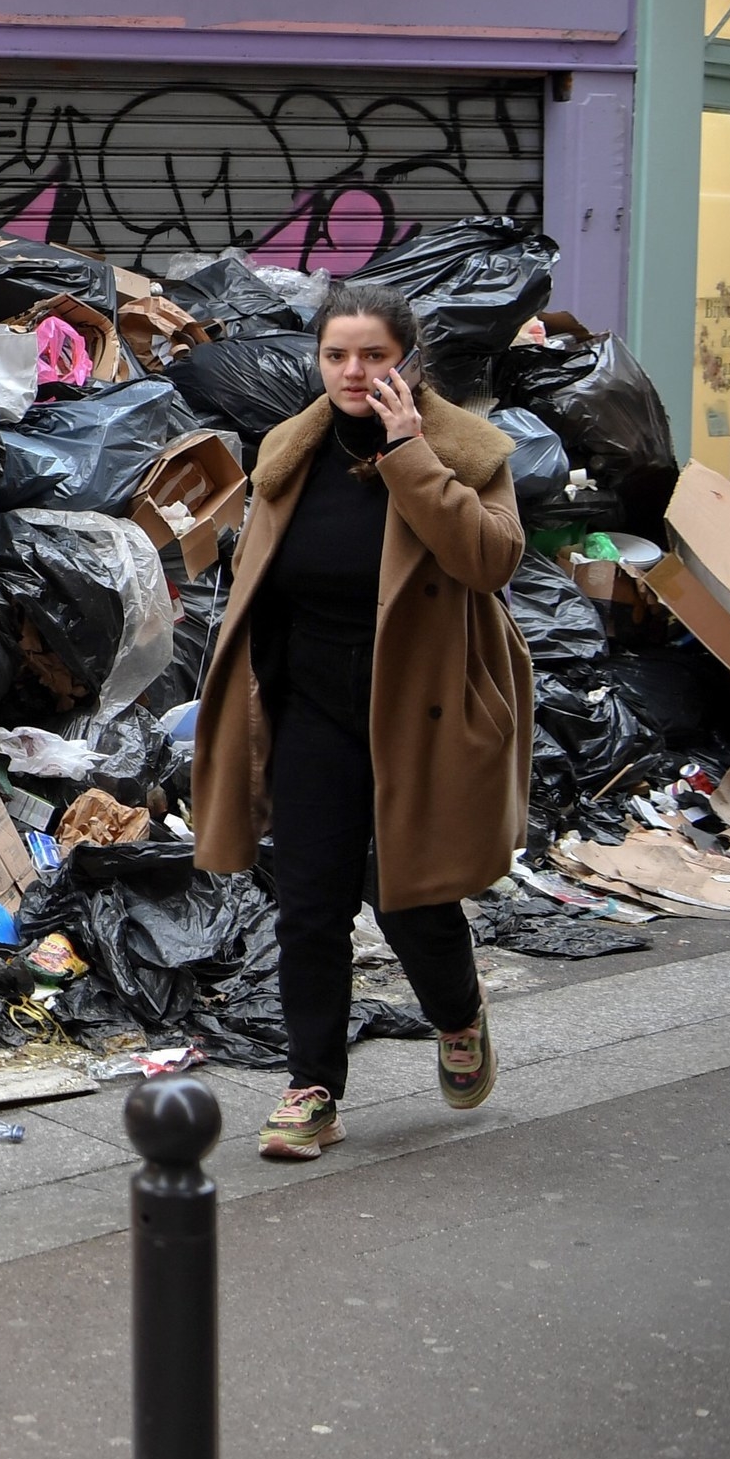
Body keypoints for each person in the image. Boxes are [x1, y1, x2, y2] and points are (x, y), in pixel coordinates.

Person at [190, 281, 530, 1162]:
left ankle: (458, 1015)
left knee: (412, 895)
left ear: (407, 362)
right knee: (309, 907)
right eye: (337, 355)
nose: (353, 371)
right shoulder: (288, 455)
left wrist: (410, 454)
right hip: (313, 711)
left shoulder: (466, 449)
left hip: (419, 709)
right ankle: (313, 1092)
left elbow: (491, 561)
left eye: (374, 355)